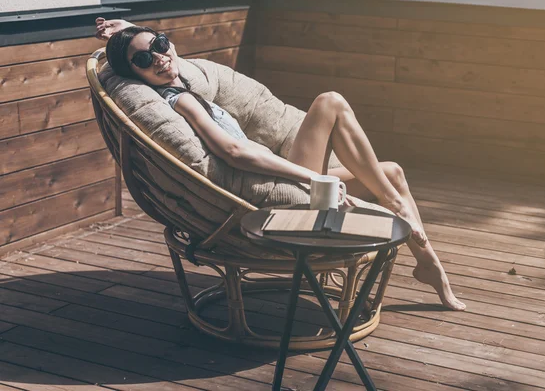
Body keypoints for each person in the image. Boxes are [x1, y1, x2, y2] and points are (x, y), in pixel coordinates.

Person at [95, 17, 466, 311]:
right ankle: (404, 218)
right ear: (135, 74)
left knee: (393, 171)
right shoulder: (180, 100)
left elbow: (168, 58)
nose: (159, 58)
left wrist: (128, 32)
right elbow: (234, 153)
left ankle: (428, 263)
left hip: (276, 173)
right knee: (330, 102)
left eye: (160, 46)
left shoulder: (181, 76)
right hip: (267, 190)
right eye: (144, 59)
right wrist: (311, 178)